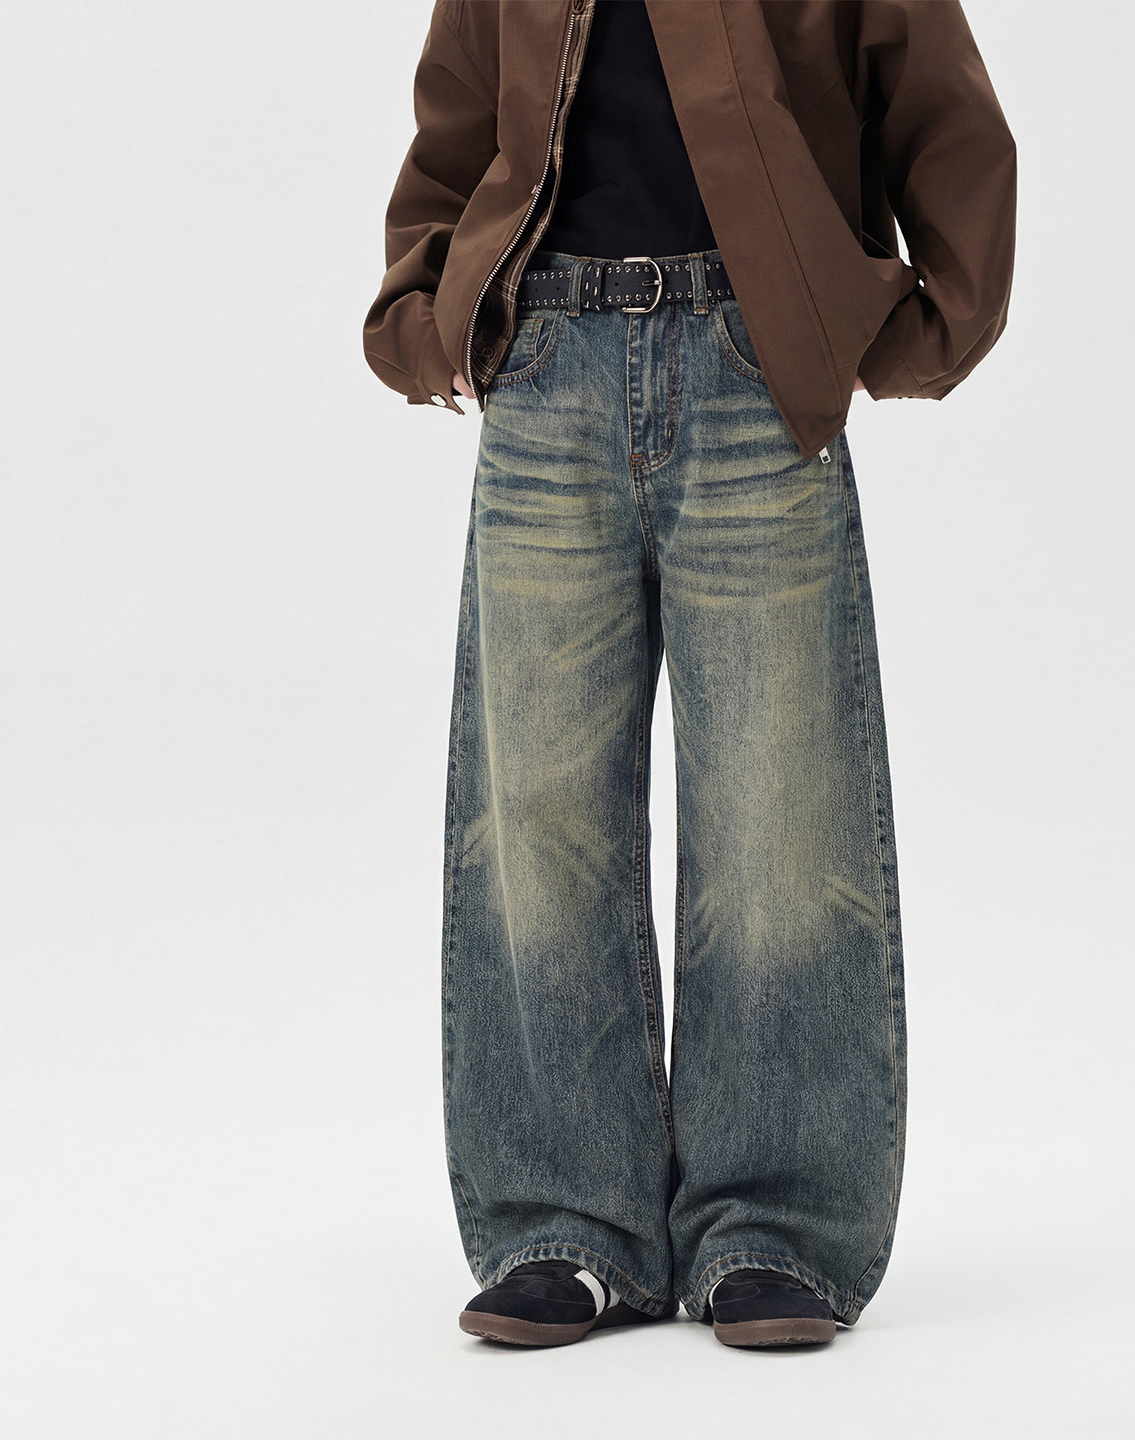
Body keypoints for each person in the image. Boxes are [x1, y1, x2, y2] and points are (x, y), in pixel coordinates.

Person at [363, 0, 1016, 1349]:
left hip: (749, 361)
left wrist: (914, 326)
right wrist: (427, 319)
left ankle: (773, 1228)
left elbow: (940, 106)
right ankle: (565, 1221)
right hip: (545, 363)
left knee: (783, 813)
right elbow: (454, 123)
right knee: (534, 819)